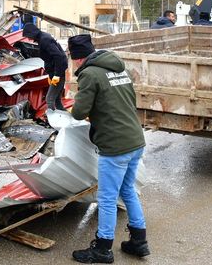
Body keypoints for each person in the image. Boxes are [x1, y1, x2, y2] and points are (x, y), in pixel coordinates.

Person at [68, 34, 149, 263]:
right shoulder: (118, 68)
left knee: (106, 197)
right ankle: (139, 241)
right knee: (127, 191)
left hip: (116, 146)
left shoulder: (90, 74)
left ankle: (103, 249)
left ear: (76, 59)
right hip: (135, 140)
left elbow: (78, 112)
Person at [23, 22, 69, 112]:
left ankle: (52, 120)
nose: (28, 38)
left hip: (58, 71)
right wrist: (50, 74)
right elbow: (49, 58)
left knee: (49, 99)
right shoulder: (42, 38)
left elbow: (58, 56)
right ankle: (63, 118)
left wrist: (57, 75)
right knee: (57, 100)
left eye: (28, 36)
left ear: (32, 33)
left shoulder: (45, 40)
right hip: (55, 70)